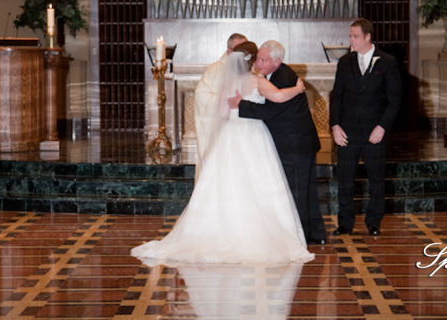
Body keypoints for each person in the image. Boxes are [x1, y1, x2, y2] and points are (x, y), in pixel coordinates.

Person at [132, 41, 314, 264]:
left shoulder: (229, 84)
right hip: (254, 134)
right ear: (251, 61)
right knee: (258, 183)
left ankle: (218, 229)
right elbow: (277, 97)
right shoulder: (257, 81)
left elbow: (222, 112)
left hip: (229, 136)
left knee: (226, 182)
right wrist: (297, 89)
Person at [233, 40, 326, 245]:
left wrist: (241, 105)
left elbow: (270, 111)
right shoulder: (276, 75)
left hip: (295, 145)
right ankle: (314, 233)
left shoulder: (284, 78)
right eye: (258, 59)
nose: (259, 63)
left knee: (298, 192)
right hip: (297, 143)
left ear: (277, 61)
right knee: (305, 191)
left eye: (264, 60)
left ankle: (300, 237)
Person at [330, 18, 402, 236]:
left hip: (374, 131)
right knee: (345, 180)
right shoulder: (345, 62)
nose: (351, 40)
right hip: (347, 131)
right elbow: (337, 97)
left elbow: (395, 100)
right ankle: (345, 223)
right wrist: (335, 126)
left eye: (355, 36)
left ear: (367, 37)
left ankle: (374, 222)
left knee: (376, 179)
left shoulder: (387, 62)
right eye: (350, 36)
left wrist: (382, 127)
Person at [194, 32, 247, 168]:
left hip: (246, 129)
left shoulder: (252, 70)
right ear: (229, 50)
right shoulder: (214, 70)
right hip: (222, 131)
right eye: (238, 50)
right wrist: (225, 100)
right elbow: (201, 95)